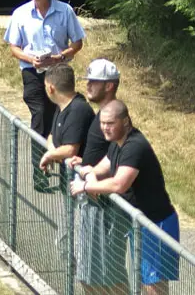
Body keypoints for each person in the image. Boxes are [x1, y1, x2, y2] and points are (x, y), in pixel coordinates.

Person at [70, 101, 180, 295]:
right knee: (144, 280)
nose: (105, 128)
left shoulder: (134, 146)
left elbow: (119, 184)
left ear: (126, 121)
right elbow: (105, 166)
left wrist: (86, 186)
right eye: (103, 123)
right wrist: (90, 171)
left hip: (156, 224)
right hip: (140, 224)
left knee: (153, 285)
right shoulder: (117, 143)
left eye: (110, 123)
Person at [67, 59, 129, 295]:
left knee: (107, 277)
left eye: (94, 82)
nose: (88, 86)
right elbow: (106, 155)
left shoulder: (115, 118)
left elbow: (123, 158)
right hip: (93, 201)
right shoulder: (102, 115)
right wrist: (84, 163)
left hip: (106, 206)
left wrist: (94, 180)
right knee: (89, 276)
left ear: (109, 86)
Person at [5, 0, 86, 136]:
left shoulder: (65, 11)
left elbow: (77, 43)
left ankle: (60, 148)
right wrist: (31, 59)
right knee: (40, 113)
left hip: (59, 71)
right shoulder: (20, 13)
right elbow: (14, 47)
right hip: (32, 71)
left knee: (59, 114)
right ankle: (38, 152)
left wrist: (60, 57)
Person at [38, 64, 95, 173]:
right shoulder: (61, 106)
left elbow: (70, 150)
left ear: (50, 88)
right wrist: (53, 152)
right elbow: (51, 136)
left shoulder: (78, 110)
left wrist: (49, 155)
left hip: (82, 176)